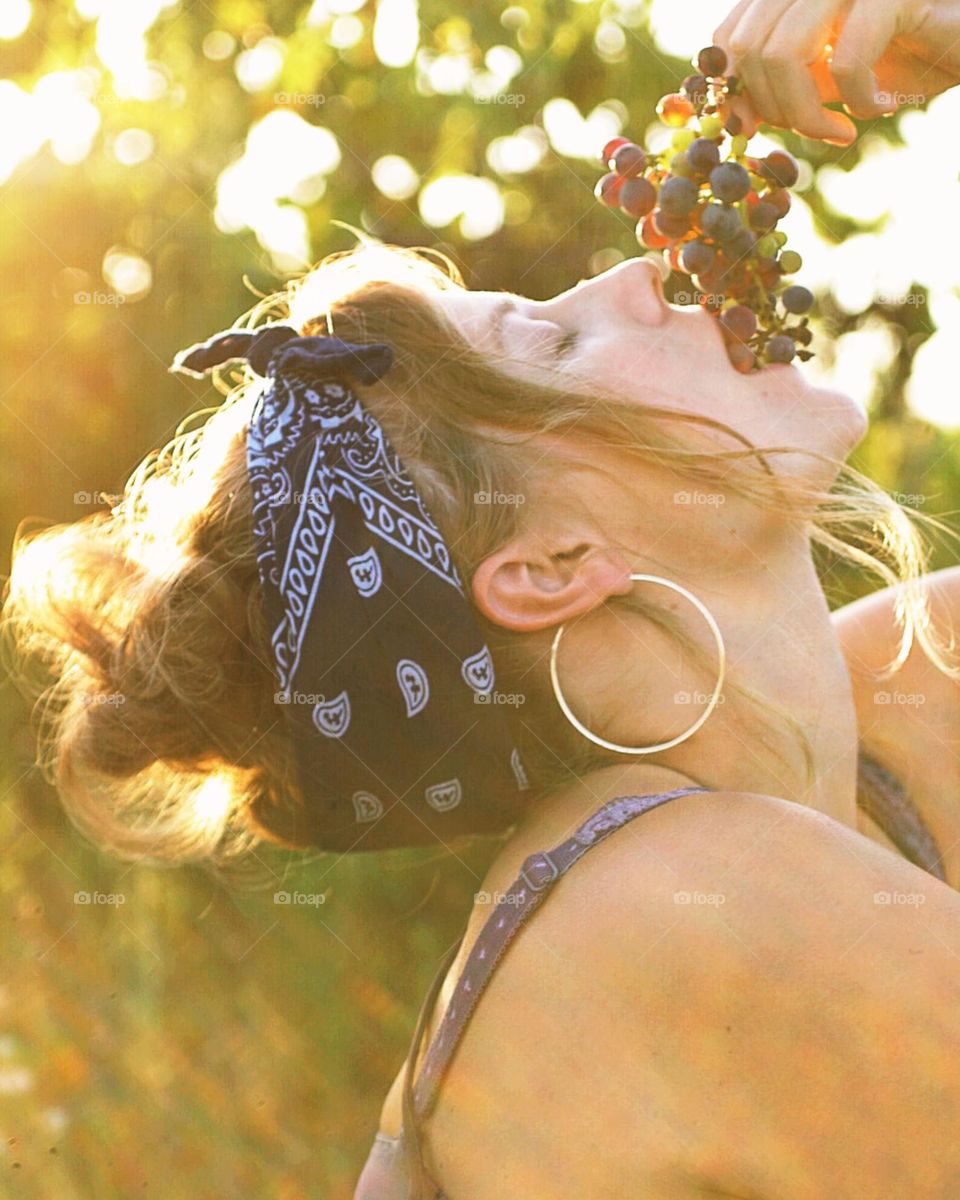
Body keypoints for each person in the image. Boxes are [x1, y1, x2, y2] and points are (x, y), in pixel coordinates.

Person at [4, 4, 960, 1194]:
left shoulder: (903, 699)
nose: (631, 277)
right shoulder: (681, 906)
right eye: (556, 347)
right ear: (549, 570)